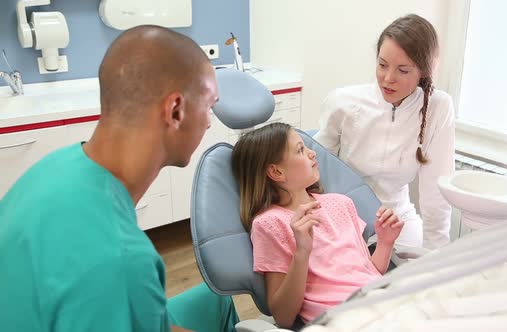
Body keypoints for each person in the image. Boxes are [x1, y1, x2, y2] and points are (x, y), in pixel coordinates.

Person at [0, 26, 238, 332]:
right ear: (175, 110)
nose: (208, 122)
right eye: (210, 106)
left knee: (215, 299)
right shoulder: (122, 261)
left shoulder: (55, 166)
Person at [231, 122, 405, 327]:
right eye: (300, 150)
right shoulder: (271, 224)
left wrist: (385, 242)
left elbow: (367, 273)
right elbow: (283, 317)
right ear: (276, 172)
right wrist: (302, 252)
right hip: (344, 319)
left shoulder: (341, 203)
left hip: (382, 302)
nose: (313, 154)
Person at [313, 14, 455, 250]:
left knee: (414, 277)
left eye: (403, 70)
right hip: (344, 217)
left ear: (423, 72)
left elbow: (436, 194)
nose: (388, 79)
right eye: (382, 65)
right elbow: (313, 174)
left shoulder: (438, 108)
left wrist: (436, 256)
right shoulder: (343, 102)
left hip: (397, 219)